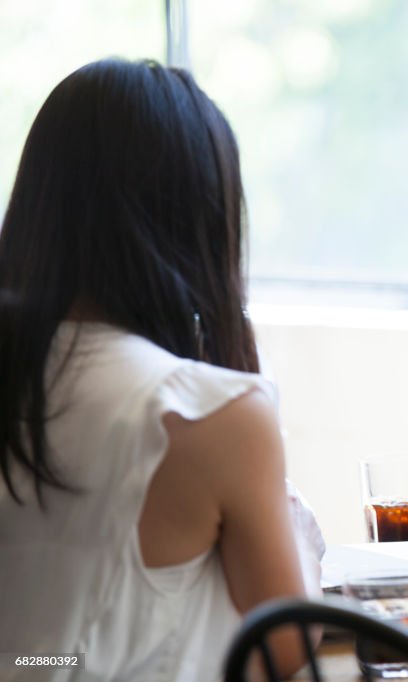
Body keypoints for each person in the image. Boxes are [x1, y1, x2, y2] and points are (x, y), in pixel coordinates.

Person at [0, 59, 322, 680]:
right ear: (201, 218)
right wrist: (301, 542)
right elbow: (287, 651)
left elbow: (29, 655)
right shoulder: (204, 411)